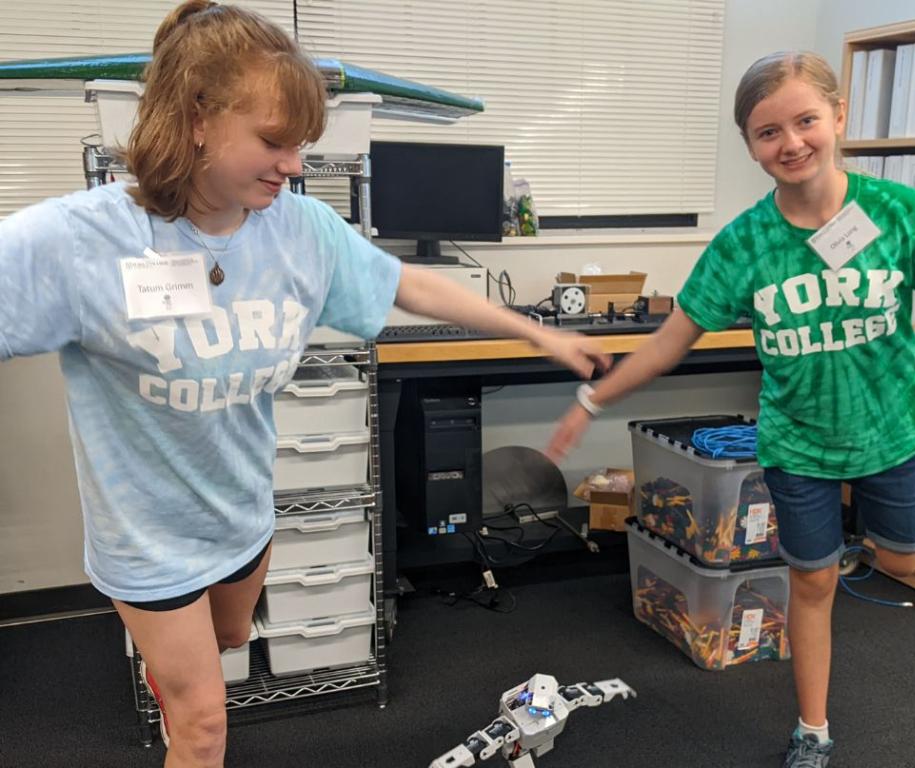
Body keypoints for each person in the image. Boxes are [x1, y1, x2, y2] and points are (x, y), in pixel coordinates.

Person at [0, 2, 609, 766]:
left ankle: (180, 673)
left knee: (227, 640)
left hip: (242, 510)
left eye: (301, 146)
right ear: (195, 119)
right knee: (202, 721)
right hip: (146, 534)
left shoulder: (296, 226)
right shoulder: (83, 239)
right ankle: (183, 695)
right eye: (273, 142)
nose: (294, 166)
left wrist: (535, 329)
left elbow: (408, 286)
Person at [546, 50, 915, 768]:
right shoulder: (743, 244)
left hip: (894, 432)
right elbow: (668, 344)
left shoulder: (898, 213)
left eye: (806, 120)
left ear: (838, 117)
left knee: (903, 561)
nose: (791, 142)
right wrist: (591, 397)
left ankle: (859, 541)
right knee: (811, 582)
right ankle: (813, 730)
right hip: (797, 443)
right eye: (768, 132)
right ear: (750, 145)